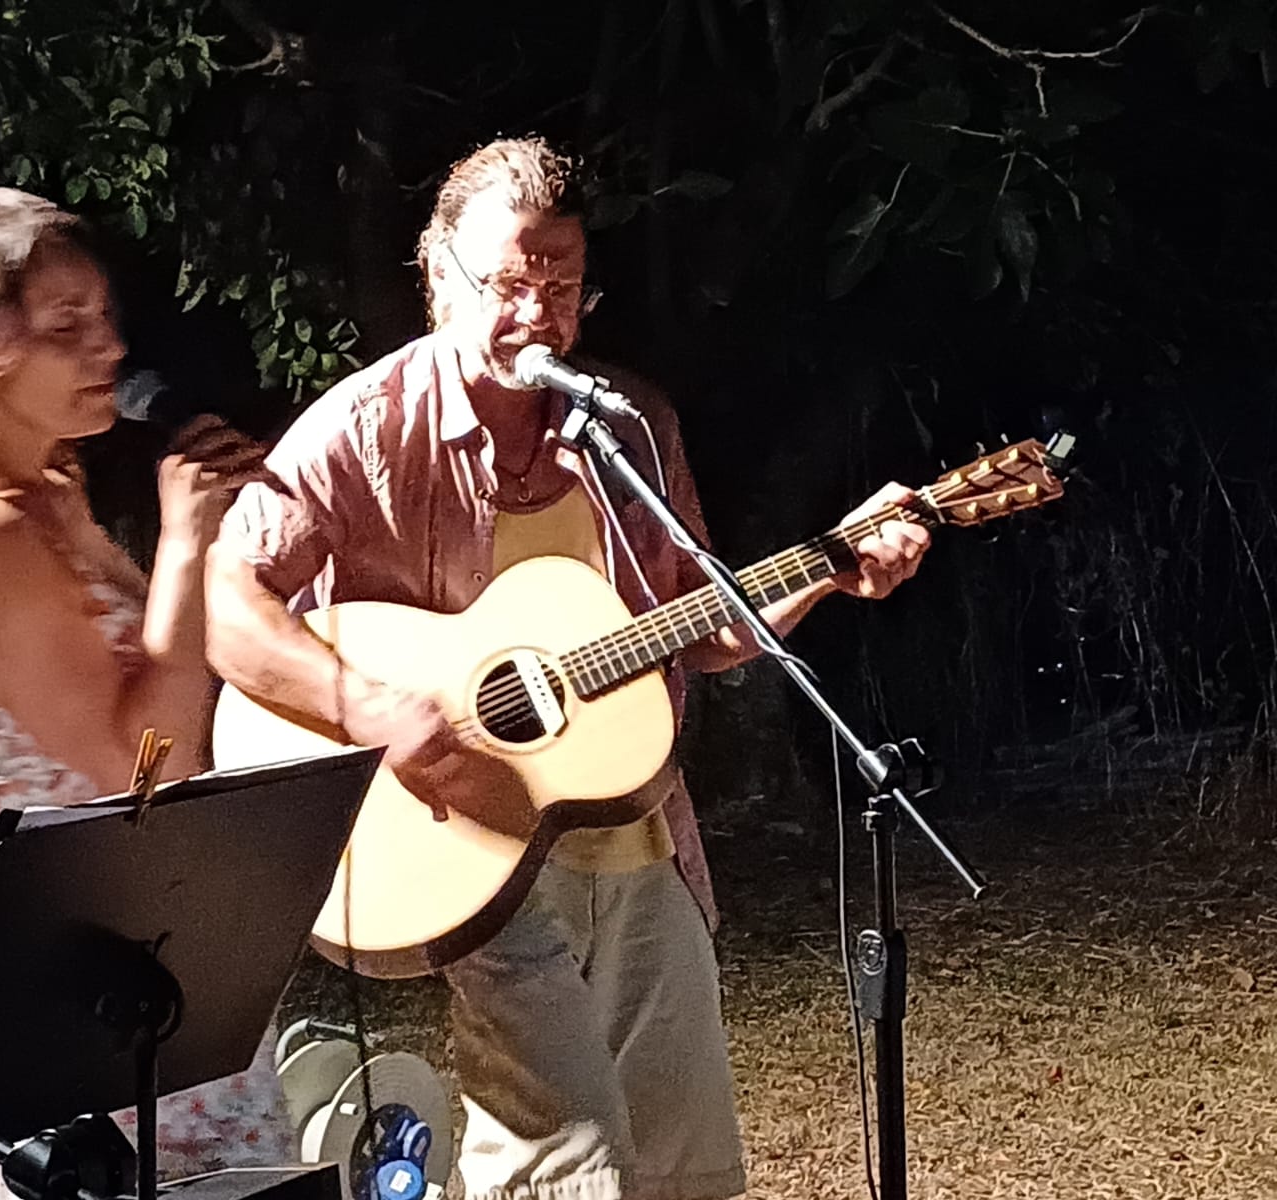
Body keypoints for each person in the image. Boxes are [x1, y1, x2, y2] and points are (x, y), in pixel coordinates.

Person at [205, 138, 930, 1200]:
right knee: (569, 1167)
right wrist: (367, 707)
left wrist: (833, 568)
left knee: (688, 1170)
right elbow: (230, 605)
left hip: (638, 841)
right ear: (435, 275)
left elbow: (705, 626)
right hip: (471, 845)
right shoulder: (363, 431)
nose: (535, 315)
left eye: (561, 287)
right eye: (504, 284)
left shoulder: (625, 429)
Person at [0, 187, 290, 1200]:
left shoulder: (49, 494)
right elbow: (142, 760)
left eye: (103, 317)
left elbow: (160, 674)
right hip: (75, 1002)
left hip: (156, 953)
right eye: (65, 328)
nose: (107, 348)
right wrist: (186, 543)